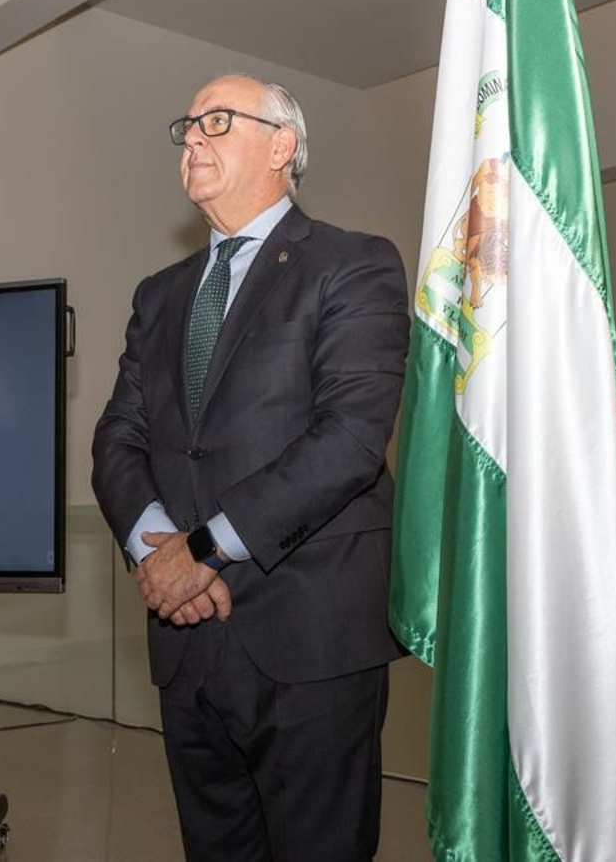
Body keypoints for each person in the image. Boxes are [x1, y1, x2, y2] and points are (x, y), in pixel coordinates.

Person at [92, 74, 409, 861]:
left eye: (217, 121)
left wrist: (199, 553)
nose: (192, 137)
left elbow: (349, 441)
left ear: (283, 145)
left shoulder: (354, 264)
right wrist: (158, 549)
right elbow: (117, 438)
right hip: (187, 643)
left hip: (311, 639)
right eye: (188, 126)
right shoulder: (159, 295)